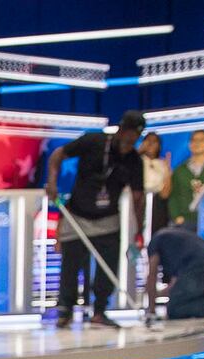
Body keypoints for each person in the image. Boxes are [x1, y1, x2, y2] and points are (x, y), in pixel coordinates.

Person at [47, 110, 146, 330]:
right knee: (71, 265)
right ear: (120, 129)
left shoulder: (134, 161)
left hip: (108, 220)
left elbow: (138, 197)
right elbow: (58, 155)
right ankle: (65, 310)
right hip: (77, 215)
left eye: (135, 137)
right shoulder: (93, 141)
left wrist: (139, 230)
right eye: (128, 134)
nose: (130, 140)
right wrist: (52, 182)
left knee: (108, 266)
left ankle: (100, 311)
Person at [139, 131, 172, 236]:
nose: (151, 144)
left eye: (154, 141)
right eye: (148, 141)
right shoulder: (137, 160)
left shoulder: (162, 164)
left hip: (157, 204)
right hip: (139, 201)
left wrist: (167, 170)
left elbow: (165, 193)